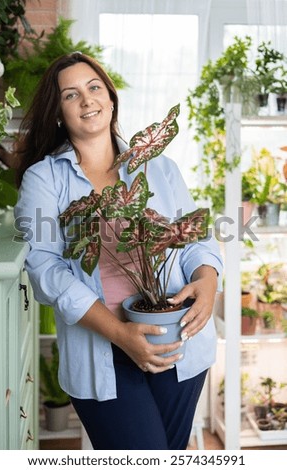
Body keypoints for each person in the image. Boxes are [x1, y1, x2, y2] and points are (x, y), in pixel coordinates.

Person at [14, 52, 223, 450]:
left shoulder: (158, 168)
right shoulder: (44, 178)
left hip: (179, 342)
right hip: (103, 351)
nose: (87, 100)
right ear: (58, 113)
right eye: (70, 95)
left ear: (111, 98)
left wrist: (208, 282)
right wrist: (121, 334)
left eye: (94, 88)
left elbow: (195, 237)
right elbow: (43, 267)